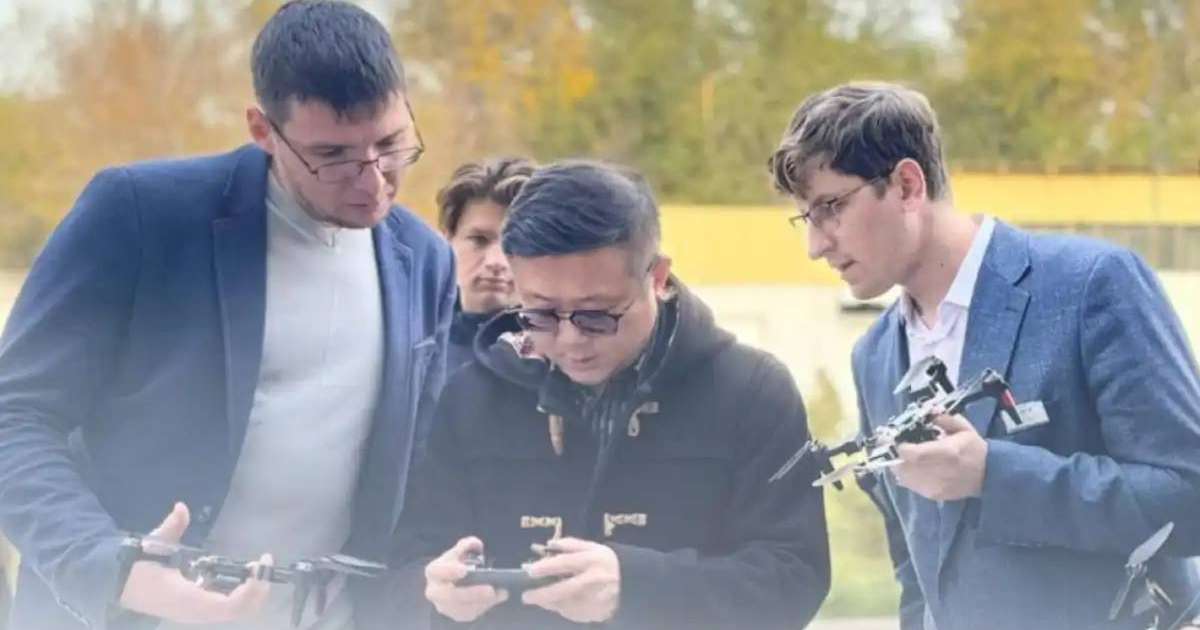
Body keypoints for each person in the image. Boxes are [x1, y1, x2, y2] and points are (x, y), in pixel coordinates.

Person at [0, 2, 456, 628]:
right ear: (263, 130)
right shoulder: (138, 214)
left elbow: (419, 469)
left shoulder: (426, 258)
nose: (373, 180)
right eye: (333, 154)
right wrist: (109, 566)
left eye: (392, 144)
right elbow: (15, 416)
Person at [769, 81, 1200, 629]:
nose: (816, 243)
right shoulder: (875, 357)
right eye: (806, 217)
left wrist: (995, 476)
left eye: (830, 207)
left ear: (906, 184)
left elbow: (1190, 498)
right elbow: (916, 574)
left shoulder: (1092, 285)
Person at [390, 161, 830, 629]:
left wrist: (638, 587)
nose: (571, 340)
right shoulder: (471, 397)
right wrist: (431, 591)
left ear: (657, 278)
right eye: (539, 314)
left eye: (596, 315)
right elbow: (407, 564)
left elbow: (795, 578)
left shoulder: (751, 392)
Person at [436, 157, 535, 372]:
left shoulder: (561, 359)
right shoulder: (410, 344)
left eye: (515, 244)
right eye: (479, 240)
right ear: (447, 241)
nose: (496, 262)